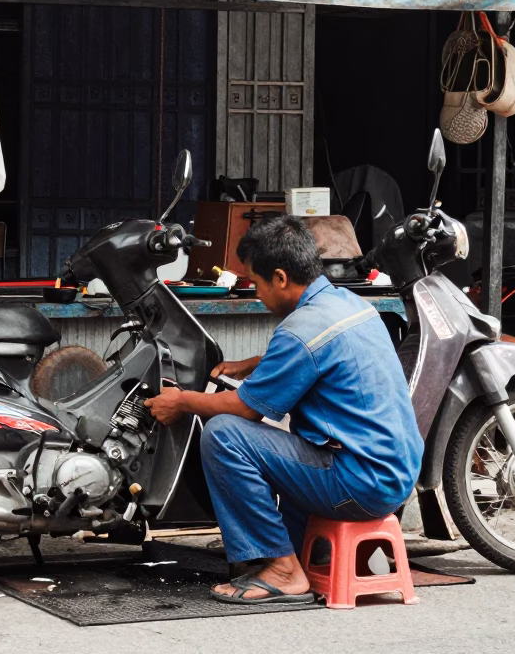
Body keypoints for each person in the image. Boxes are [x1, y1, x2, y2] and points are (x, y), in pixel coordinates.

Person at [145, 215, 423, 604]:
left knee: (225, 435)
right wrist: (257, 363)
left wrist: (182, 402)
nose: (257, 294)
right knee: (295, 448)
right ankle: (308, 553)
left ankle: (283, 570)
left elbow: (245, 411)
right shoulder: (349, 304)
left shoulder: (300, 331)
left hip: (361, 483)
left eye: (256, 284)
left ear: (280, 277)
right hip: (395, 475)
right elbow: (319, 357)